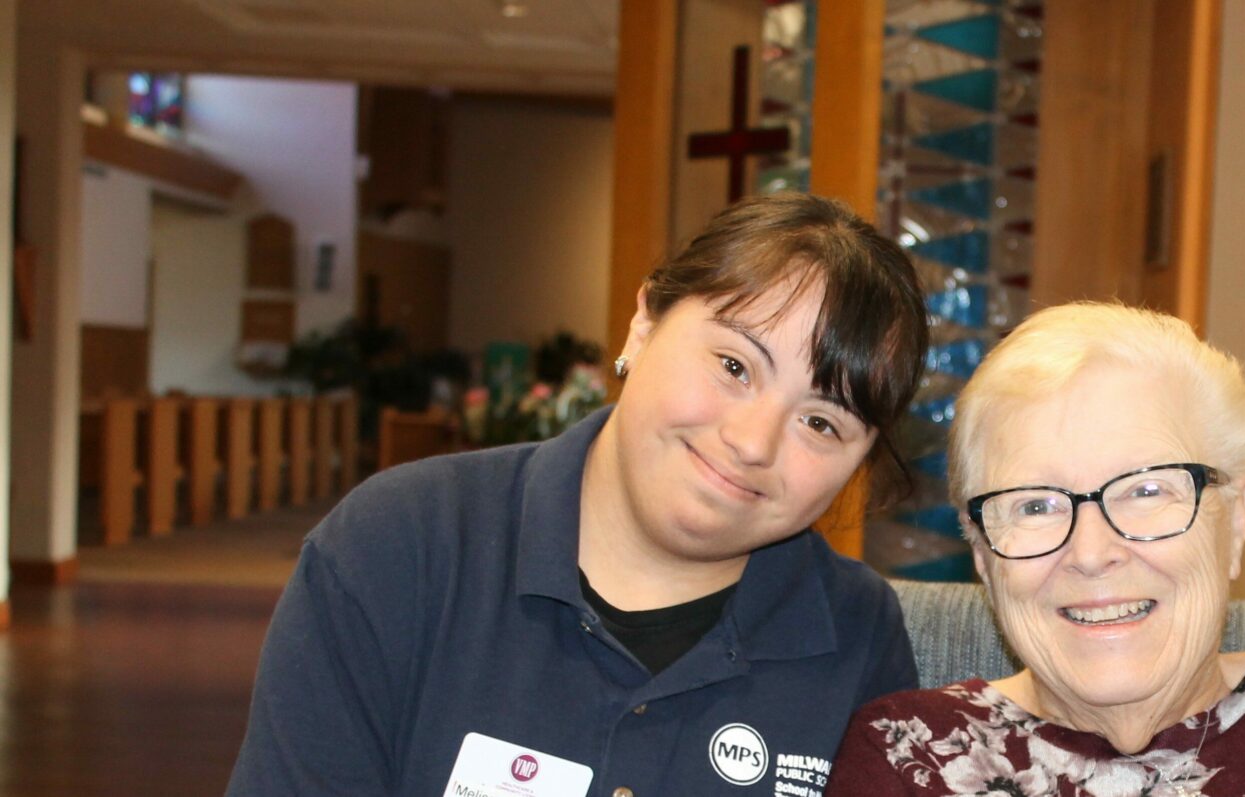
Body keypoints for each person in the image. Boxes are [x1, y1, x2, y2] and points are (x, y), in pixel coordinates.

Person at [229, 194, 930, 796]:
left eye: (820, 421)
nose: (753, 441)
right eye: (734, 364)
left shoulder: (858, 635)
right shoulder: (403, 544)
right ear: (645, 323)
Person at [827, 303, 1245, 796]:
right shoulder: (909, 756)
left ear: (1235, 520)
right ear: (981, 552)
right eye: (1035, 504)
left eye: (1146, 490)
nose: (1091, 551)